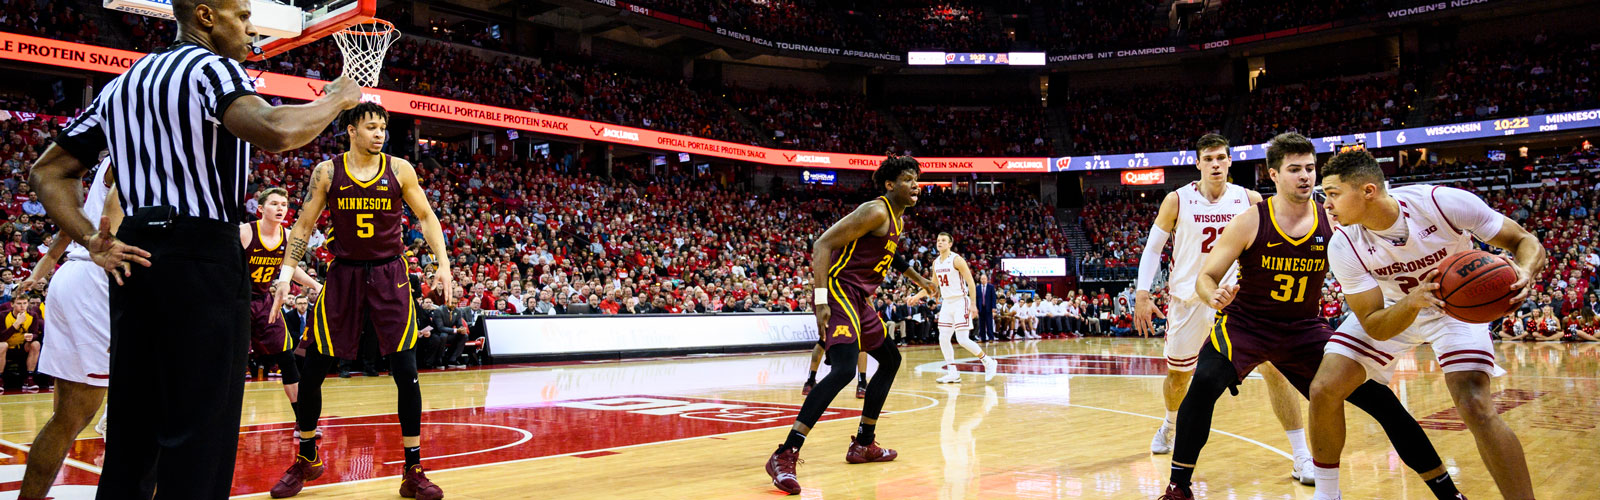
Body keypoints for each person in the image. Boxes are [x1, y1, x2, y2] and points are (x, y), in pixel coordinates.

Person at [28, 0, 362, 494]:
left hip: (135, 256)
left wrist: (90, 242)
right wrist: (336, 98)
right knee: (201, 433)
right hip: (201, 254)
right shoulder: (213, 68)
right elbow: (276, 130)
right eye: (242, 17)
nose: (251, 28)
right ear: (206, 16)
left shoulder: (124, 83)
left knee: (133, 429)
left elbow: (47, 171)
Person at [1160, 135, 1466, 500]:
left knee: (1382, 401)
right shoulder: (1249, 221)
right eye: (1294, 170)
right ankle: (1179, 487)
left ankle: (1448, 493)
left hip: (1303, 329)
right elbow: (1205, 277)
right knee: (1204, 382)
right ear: (1273, 174)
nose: (1305, 177)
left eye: (1309, 169)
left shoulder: (1335, 220)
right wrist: (1214, 295)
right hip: (1246, 324)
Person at [1311, 149, 1545, 500]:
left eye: (1333, 193)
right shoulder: (1344, 244)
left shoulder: (1441, 203)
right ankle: (1327, 495)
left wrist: (1524, 271)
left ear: (1368, 191)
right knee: (1324, 387)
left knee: (1474, 404)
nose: (1326, 205)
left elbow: (1524, 241)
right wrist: (1412, 300)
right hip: (1394, 310)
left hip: (1455, 312)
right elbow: (1374, 325)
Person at [271, 103, 452, 499]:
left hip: (390, 275)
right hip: (344, 275)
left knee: (406, 371)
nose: (379, 133)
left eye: (383, 127)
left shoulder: (401, 169)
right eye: (371, 127)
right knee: (314, 368)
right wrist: (285, 276)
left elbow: (427, 217)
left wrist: (444, 264)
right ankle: (307, 457)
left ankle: (413, 470)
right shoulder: (328, 171)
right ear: (351, 129)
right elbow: (302, 225)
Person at [1133, 134, 1311, 477]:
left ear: (1230, 162)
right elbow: (1153, 249)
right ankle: (1170, 423)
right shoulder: (1177, 200)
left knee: (1275, 370)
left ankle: (1301, 454)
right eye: (1209, 159)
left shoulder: (1249, 198)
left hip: (1237, 301)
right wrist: (1143, 293)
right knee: (1179, 376)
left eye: (1221, 158)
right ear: (1198, 163)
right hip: (1188, 299)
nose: (1215, 164)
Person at [766, 154, 937, 495]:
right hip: (839, 290)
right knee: (844, 370)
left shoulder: (896, 220)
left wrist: (922, 280)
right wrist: (819, 302)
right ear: (890, 185)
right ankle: (785, 453)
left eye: (916, 178)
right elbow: (822, 244)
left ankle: (864, 444)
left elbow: (892, 257)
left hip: (860, 299)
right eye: (908, 179)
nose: (915, 184)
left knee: (890, 359)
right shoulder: (875, 210)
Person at [15, 160, 118, 499]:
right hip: (97, 282)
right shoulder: (134, 153)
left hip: (73, 276)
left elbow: (67, 230)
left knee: (67, 417)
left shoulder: (116, 157)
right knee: (76, 416)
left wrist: (39, 272)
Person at [242, 187, 322, 426]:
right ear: (260, 209)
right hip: (239, 303)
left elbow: (292, 269)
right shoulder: (244, 233)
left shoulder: (287, 236)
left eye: (284, 204)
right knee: (232, 363)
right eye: (274, 203)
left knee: (287, 358)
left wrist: (316, 285)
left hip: (267, 301)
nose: (280, 208)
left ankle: (302, 421)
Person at [912, 232, 996, 383]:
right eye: (938, 240)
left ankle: (988, 362)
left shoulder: (957, 260)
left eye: (943, 240)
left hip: (960, 301)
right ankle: (953, 372)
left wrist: (973, 304)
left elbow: (970, 282)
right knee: (943, 337)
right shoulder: (936, 262)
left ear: (950, 244)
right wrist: (916, 297)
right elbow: (933, 287)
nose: (940, 242)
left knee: (962, 339)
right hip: (947, 303)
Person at [974, 273, 998, 342]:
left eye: (984, 279)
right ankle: (983, 338)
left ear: (987, 280)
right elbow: (976, 298)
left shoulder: (991, 287)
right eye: (982, 279)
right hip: (980, 308)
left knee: (989, 323)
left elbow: (993, 298)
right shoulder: (977, 287)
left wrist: (994, 307)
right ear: (980, 280)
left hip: (989, 308)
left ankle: (991, 338)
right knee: (981, 324)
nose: (983, 280)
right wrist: (976, 307)